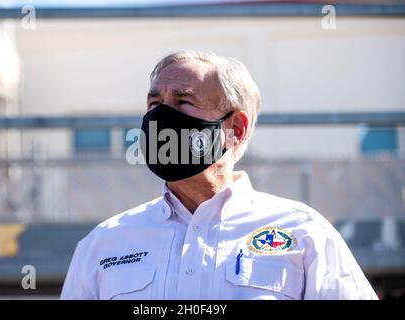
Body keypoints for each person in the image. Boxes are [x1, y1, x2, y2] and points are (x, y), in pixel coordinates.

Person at [60, 50, 378, 300]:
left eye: (184, 102)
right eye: (154, 102)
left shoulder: (306, 235)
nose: (160, 116)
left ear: (236, 129)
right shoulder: (104, 244)